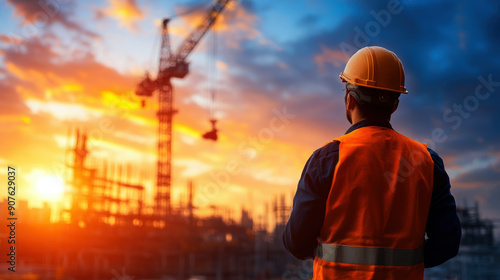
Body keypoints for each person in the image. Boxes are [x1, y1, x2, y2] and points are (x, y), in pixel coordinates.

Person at [283, 46, 461, 279]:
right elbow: (447, 242)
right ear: (394, 105)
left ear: (349, 100)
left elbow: (297, 242)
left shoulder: (327, 160)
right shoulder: (427, 161)